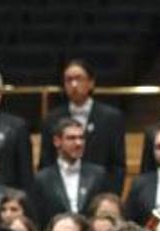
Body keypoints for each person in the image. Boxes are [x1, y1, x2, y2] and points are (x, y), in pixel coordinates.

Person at [38, 60, 126, 193]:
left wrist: (111, 199)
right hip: (60, 194)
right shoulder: (51, 119)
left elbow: (117, 165)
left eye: (79, 79)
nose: (74, 84)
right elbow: (46, 161)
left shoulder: (111, 117)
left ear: (91, 83)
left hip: (100, 195)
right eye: (69, 80)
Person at [31, 118, 111, 226]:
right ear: (57, 141)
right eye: (71, 138)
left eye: (81, 138)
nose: (78, 143)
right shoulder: (42, 178)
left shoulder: (98, 174)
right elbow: (38, 218)